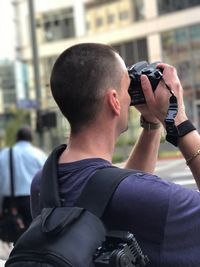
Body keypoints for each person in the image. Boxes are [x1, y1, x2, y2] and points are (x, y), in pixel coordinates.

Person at [31, 43, 200, 266]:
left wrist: (151, 124)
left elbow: (112, 188)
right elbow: (130, 193)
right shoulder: (161, 201)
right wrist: (178, 120)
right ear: (114, 101)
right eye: (128, 86)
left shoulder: (43, 183)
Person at [0, 125, 47, 230]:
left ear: (16, 137)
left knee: (13, 234)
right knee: (33, 233)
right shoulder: (39, 155)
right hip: (32, 200)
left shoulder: (4, 155)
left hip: (10, 202)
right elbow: (47, 179)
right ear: (31, 138)